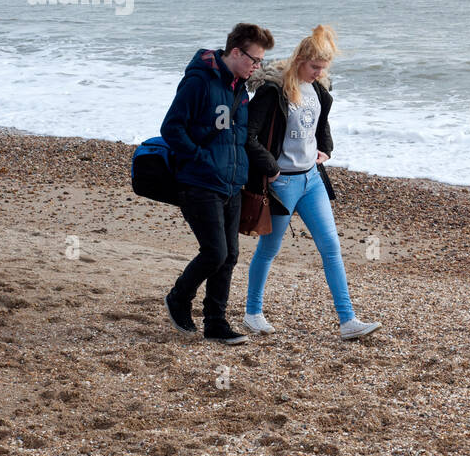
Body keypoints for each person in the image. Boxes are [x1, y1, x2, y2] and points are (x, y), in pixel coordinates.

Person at [243, 25, 380, 340]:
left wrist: (326, 150)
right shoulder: (273, 91)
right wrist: (271, 169)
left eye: (324, 68)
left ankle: (348, 322)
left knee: (331, 247)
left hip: (312, 181)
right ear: (300, 59)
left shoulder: (318, 90)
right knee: (269, 249)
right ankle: (253, 313)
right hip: (282, 185)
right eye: (315, 67)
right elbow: (248, 136)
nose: (320, 73)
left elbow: (322, 123)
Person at [161, 22, 275, 345]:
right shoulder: (199, 80)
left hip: (231, 185)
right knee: (215, 252)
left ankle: (215, 322)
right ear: (235, 52)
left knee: (230, 255)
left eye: (261, 62)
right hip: (198, 182)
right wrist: (202, 159)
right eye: (254, 60)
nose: (257, 67)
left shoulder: (240, 87)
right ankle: (179, 298)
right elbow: (171, 128)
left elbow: (238, 138)